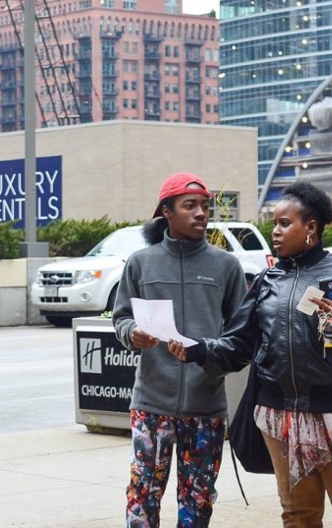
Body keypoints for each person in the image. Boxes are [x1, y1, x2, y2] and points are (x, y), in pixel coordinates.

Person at [169, 180, 332, 528]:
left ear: (311, 227)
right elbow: (238, 345)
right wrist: (200, 349)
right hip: (280, 417)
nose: (274, 231)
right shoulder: (268, 281)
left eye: (283, 223)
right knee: (298, 516)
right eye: (273, 223)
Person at [112, 172, 248, 528]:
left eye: (205, 206)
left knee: (198, 502)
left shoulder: (226, 266)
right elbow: (121, 318)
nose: (201, 213)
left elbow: (241, 333)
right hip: (151, 405)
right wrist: (133, 334)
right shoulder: (141, 263)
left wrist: (211, 354)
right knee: (142, 498)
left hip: (206, 407)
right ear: (166, 213)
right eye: (190, 206)